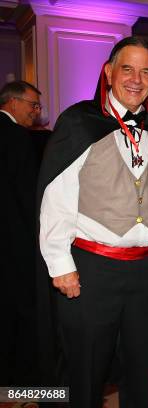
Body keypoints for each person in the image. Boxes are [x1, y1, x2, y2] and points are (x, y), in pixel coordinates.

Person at [38, 36, 148, 406]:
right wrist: (60, 265)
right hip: (91, 270)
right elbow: (56, 197)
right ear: (109, 72)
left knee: (143, 366)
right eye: (127, 68)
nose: (136, 78)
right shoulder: (79, 122)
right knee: (86, 369)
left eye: (146, 71)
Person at [0, 80, 41, 385]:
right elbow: (27, 196)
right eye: (32, 105)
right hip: (14, 237)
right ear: (12, 102)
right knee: (20, 305)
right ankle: (20, 376)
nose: (36, 112)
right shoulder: (16, 137)